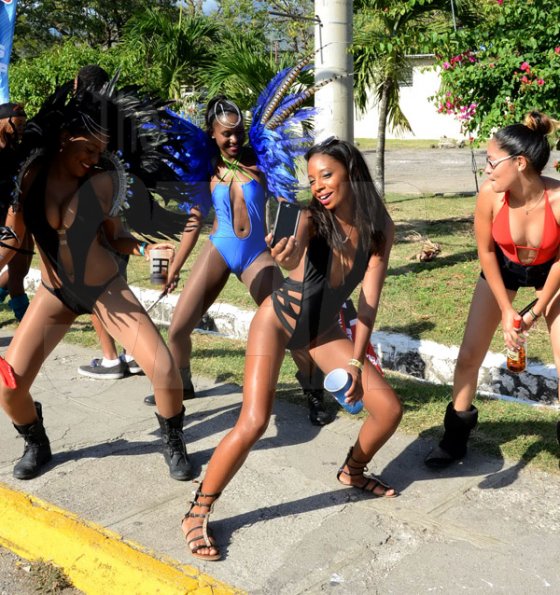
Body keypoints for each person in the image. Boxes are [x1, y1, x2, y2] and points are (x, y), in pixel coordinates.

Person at [180, 138, 403, 561]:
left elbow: (370, 301)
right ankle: (198, 509)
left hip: (321, 332)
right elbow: (293, 249)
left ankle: (352, 471)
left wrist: (356, 361)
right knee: (254, 421)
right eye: (312, 177)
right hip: (277, 321)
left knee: (389, 410)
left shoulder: (379, 228)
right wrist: (286, 254)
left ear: (351, 172)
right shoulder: (310, 219)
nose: (317, 185)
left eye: (327, 174)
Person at [0, 82, 192, 482]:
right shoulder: (29, 178)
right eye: (88, 149)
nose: (94, 159)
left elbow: (116, 237)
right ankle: (37, 442)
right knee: (9, 387)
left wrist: (144, 250)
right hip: (55, 296)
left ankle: (173, 440)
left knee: (164, 371)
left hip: (106, 290)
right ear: (64, 139)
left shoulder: (102, 180)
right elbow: (11, 242)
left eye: (101, 152)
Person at [144, 96, 333, 426]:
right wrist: (174, 267)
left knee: (293, 325)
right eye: (225, 134)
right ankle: (183, 387)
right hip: (219, 248)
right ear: (212, 134)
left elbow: (287, 202)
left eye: (238, 133)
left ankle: (314, 393)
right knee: (177, 330)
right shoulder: (207, 167)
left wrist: (287, 246)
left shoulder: (261, 161)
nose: (233, 140)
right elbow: (195, 218)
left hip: (256, 255)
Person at [425, 111, 560, 469]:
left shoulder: (559, 199)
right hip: (502, 270)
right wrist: (506, 309)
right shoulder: (491, 195)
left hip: (553, 274)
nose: (486, 169)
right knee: (470, 354)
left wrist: (534, 311)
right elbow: (485, 251)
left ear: (519, 163)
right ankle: (454, 440)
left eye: (491, 162)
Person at [66, 65, 141, 379]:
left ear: (76, 84)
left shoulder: (83, 123)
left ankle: (111, 359)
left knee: (93, 289)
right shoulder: (118, 122)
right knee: (117, 284)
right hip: (120, 210)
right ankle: (135, 354)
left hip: (92, 213)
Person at [0, 102, 33, 321]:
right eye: (17, 123)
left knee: (20, 271)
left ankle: (24, 321)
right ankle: (26, 320)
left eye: (24, 123)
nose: (21, 127)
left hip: (18, 216)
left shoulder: (20, 149)